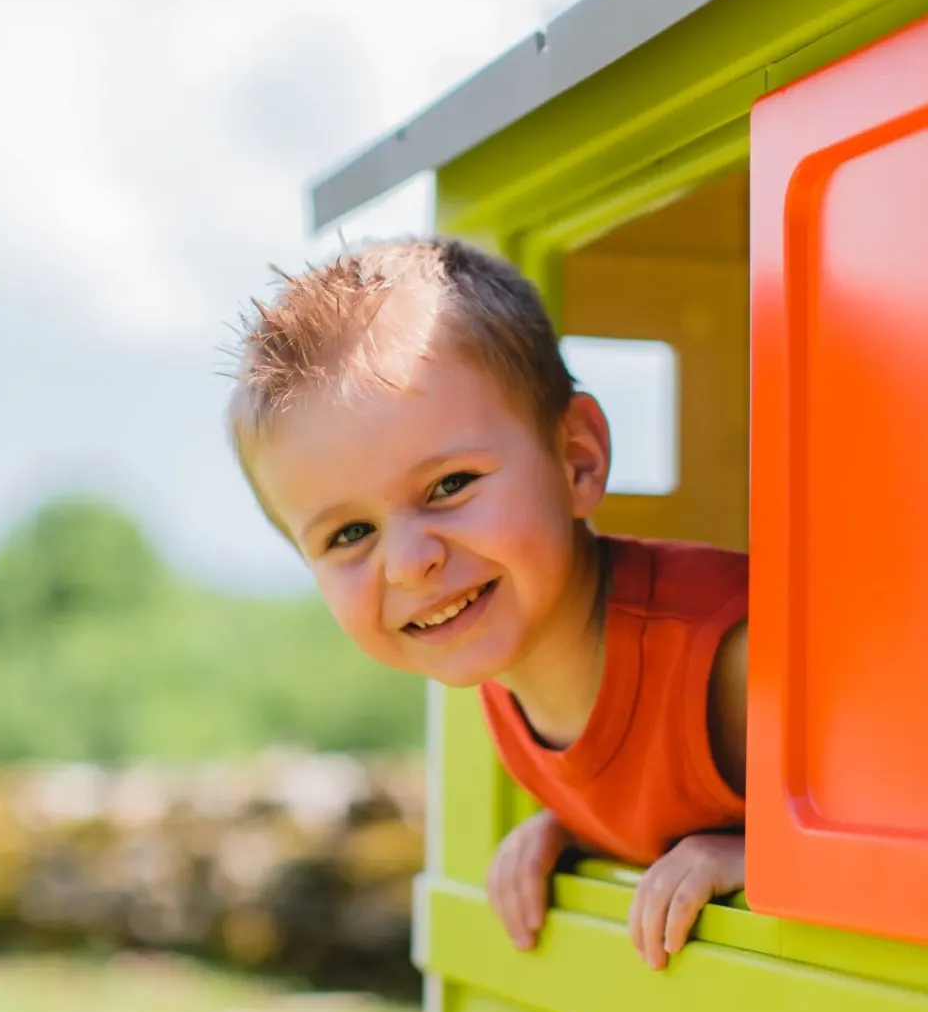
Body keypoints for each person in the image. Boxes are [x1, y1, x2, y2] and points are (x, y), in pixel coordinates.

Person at [227, 236, 748, 971]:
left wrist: (764, 860)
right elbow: (643, 776)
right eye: (349, 533)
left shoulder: (730, 663)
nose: (411, 564)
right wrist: (571, 829)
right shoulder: (508, 657)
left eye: (450, 485)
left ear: (577, 461)